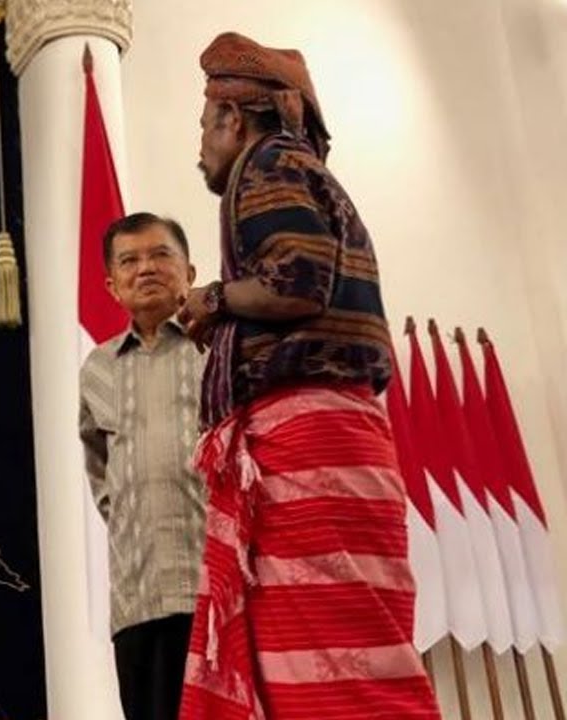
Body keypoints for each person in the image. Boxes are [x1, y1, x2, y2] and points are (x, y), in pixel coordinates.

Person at [174, 32, 441, 719]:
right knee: (345, 653)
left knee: (331, 667)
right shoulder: (300, 170)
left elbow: (296, 282)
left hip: (307, 450)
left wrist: (213, 299)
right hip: (334, 440)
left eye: (204, 125)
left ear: (233, 118)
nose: (199, 144)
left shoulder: (265, 165)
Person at [80, 213, 206, 720]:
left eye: (160, 255)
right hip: (137, 597)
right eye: (129, 261)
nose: (146, 268)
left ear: (189, 272)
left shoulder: (219, 349)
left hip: (213, 591)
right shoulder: (97, 369)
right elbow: (100, 473)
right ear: (112, 285)